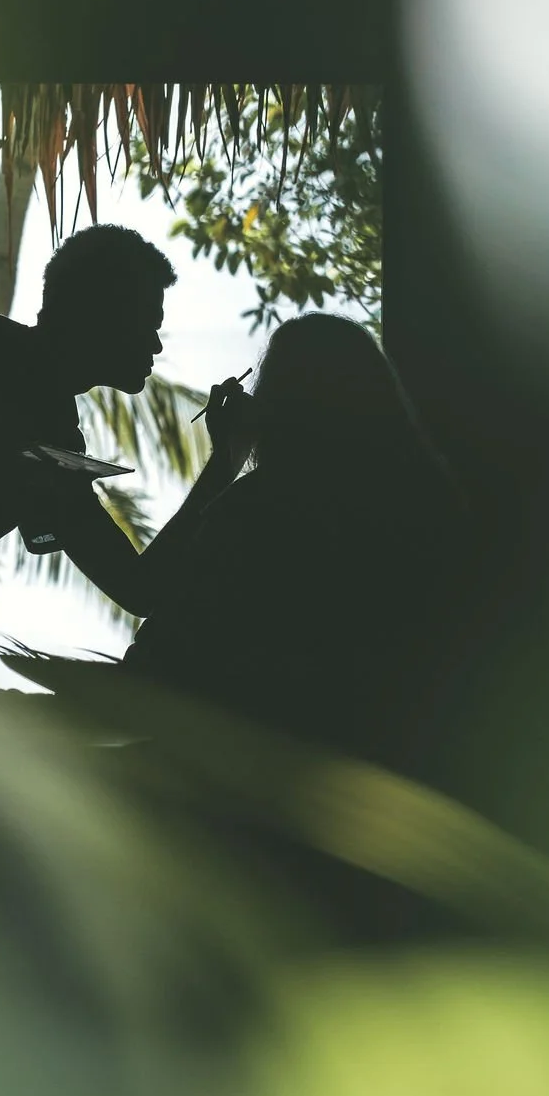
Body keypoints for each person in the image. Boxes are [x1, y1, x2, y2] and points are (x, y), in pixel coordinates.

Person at [119, 314, 474, 775]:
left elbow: (159, 658)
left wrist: (225, 463)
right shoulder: (433, 503)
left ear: (274, 406)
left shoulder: (256, 510)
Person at [0, 224, 251, 616]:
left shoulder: (53, 437)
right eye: (148, 324)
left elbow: (140, 590)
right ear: (101, 315)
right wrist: (226, 459)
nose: (156, 345)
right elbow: (139, 588)